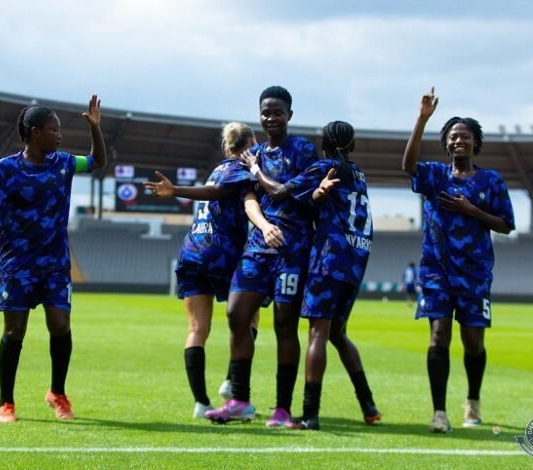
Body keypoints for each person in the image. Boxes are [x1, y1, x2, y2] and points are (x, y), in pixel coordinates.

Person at [0, 96, 106, 423]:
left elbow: (96, 162)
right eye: (54, 130)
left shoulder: (63, 163)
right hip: (17, 264)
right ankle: (6, 402)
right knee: (14, 332)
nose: (60, 135)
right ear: (36, 133)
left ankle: (57, 393)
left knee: (60, 325)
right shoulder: (5, 170)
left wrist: (95, 129)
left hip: (55, 263)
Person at [247, 121, 381, 430]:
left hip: (328, 259)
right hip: (357, 259)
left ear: (324, 144)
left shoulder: (326, 166)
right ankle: (369, 405)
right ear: (352, 145)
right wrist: (318, 195)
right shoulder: (356, 173)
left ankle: (310, 414)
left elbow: (280, 192)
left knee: (317, 333)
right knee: (337, 333)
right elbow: (328, 202)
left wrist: (255, 168)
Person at [402, 87, 515, 433]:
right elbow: (408, 165)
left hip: (475, 273)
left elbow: (506, 225)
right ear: (446, 143)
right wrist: (422, 119)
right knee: (438, 337)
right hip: (436, 271)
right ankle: (439, 412)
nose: (458, 141)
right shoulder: (435, 175)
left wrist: (471, 210)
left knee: (473, 342)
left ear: (475, 143)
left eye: (465, 136)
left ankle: (473, 400)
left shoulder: (491, 181)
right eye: (453, 137)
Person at [206, 86, 319, 426]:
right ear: (259, 115)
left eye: (278, 112)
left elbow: (288, 191)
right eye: (266, 112)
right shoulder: (252, 153)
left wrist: (256, 171)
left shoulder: (301, 149)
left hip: (293, 248)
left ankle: (282, 409)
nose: (271, 117)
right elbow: (247, 197)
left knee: (285, 326)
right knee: (236, 313)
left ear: (289, 115)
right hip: (258, 246)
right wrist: (264, 224)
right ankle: (240, 400)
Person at [144, 122, 261, 418]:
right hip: (221, 252)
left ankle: (201, 402)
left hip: (192, 250)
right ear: (248, 144)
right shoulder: (239, 169)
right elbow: (216, 193)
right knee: (250, 315)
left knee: (197, 329)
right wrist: (176, 191)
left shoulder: (218, 168)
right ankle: (232, 383)